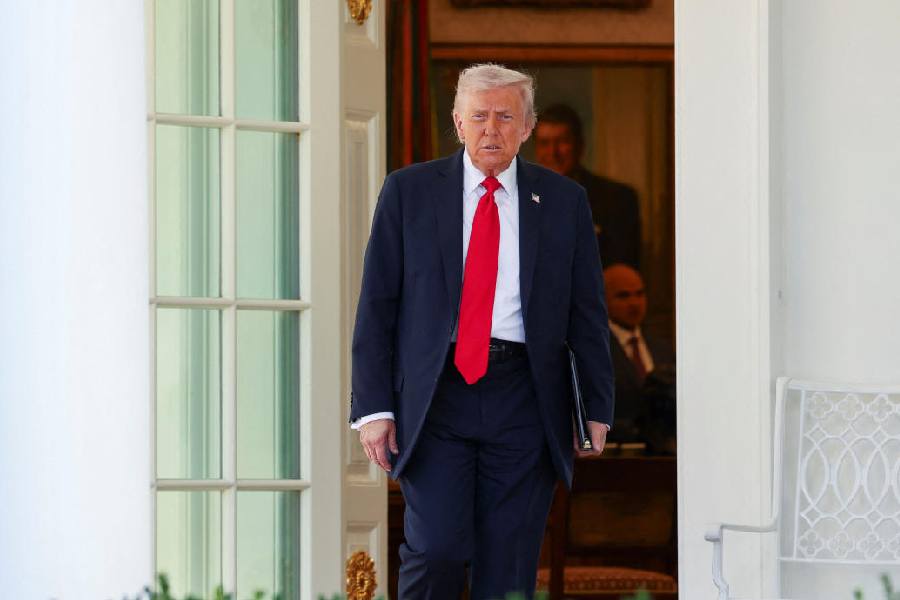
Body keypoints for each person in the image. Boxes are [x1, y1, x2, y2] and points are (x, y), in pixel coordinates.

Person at [350, 64, 614, 600]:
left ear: (528, 126)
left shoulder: (564, 202)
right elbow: (377, 305)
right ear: (458, 123)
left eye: (505, 117)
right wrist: (374, 408)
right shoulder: (409, 192)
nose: (491, 129)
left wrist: (596, 407)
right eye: (479, 116)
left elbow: (587, 311)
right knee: (437, 549)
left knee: (509, 560)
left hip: (524, 397)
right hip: (437, 394)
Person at [533, 103, 642, 269]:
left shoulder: (618, 199)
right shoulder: (519, 198)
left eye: (562, 142)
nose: (552, 153)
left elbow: (623, 273)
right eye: (544, 143)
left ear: (580, 146)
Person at [603, 263, 674, 445]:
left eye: (640, 294)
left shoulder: (662, 348)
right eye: (623, 296)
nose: (634, 303)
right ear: (602, 299)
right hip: (615, 454)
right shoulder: (597, 350)